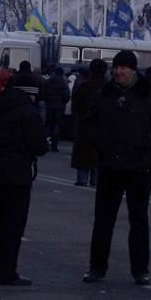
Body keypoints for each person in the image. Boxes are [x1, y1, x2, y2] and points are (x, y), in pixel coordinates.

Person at [0, 66, 48, 286]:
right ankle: (6, 271)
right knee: (12, 225)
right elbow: (40, 146)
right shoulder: (28, 112)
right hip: (17, 177)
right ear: (31, 92)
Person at [83, 50, 151, 286]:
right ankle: (97, 268)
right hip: (110, 164)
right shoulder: (105, 94)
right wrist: (99, 144)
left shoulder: (146, 94)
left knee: (139, 220)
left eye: (124, 68)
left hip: (138, 166)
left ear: (133, 70)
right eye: (117, 67)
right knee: (103, 220)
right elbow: (91, 123)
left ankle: (140, 270)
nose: (119, 72)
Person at [71, 60, 106, 187]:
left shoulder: (84, 86)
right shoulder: (109, 87)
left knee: (83, 155)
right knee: (99, 156)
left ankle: (82, 179)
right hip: (103, 128)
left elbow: (75, 105)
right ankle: (95, 180)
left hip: (85, 126)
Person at [39, 67, 71, 152]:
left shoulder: (48, 81)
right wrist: (63, 102)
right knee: (56, 125)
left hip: (49, 105)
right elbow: (66, 95)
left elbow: (43, 92)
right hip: (59, 106)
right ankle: (54, 145)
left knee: (48, 125)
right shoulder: (64, 82)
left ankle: (44, 143)